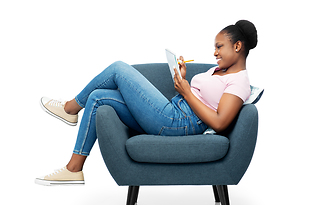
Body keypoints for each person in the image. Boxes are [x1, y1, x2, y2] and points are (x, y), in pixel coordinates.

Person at [35, 20, 257, 186]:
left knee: (118, 68)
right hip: (174, 111)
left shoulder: (239, 82)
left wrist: (187, 93)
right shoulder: (218, 70)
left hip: (179, 122)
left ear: (237, 46)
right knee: (98, 97)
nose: (215, 52)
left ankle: (69, 108)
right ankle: (74, 169)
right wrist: (182, 78)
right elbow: (202, 95)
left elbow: (219, 123)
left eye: (219, 47)